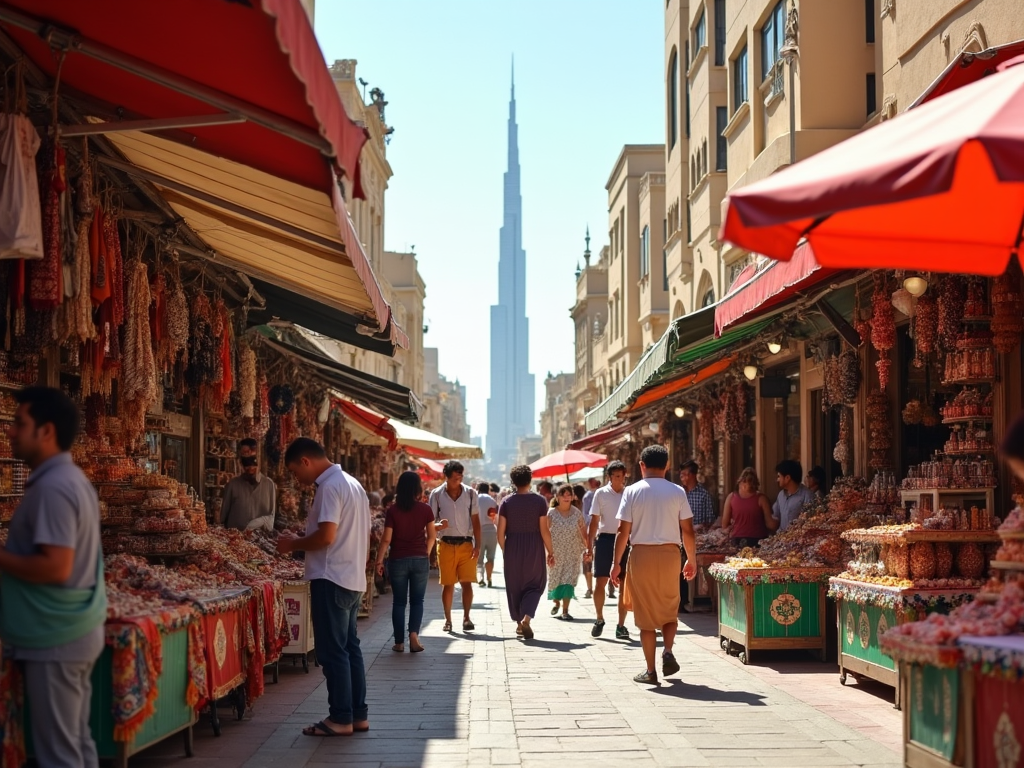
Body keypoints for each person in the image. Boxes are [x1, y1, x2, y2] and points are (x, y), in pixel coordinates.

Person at [0, 387, 107, 768]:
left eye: (19, 423)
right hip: (65, 632)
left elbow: (56, 566)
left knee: (60, 754)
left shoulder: (54, 487)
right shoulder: (66, 481)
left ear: (45, 431)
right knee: (75, 744)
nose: (10, 431)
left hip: (56, 637)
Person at [277, 438, 370, 737]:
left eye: (294, 471)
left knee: (332, 652)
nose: (297, 479)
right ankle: (357, 715)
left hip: (332, 578)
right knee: (350, 649)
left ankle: (340, 717)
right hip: (352, 577)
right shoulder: (353, 484)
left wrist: (293, 544)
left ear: (305, 461)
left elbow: (327, 536)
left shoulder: (330, 486)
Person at [611, 444, 697, 685]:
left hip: (641, 555)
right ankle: (667, 651)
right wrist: (692, 559)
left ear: (641, 466)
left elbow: (622, 531)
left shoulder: (632, 491)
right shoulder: (678, 491)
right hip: (671, 555)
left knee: (645, 615)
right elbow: (688, 530)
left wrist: (616, 563)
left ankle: (650, 671)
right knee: (670, 607)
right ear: (667, 465)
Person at [375, 472, 436, 653]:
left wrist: (379, 561)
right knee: (417, 601)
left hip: (398, 559)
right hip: (420, 559)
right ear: (417, 488)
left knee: (399, 602)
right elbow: (432, 536)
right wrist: (426, 552)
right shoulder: (426, 509)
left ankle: (399, 642)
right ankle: (414, 635)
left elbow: (386, 539)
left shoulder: (393, 510)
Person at [496, 465, 555, 639]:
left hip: (513, 546)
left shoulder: (506, 502)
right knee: (536, 584)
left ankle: (519, 623)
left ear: (513, 481)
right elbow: (544, 530)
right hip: (534, 547)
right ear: (530, 480)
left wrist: (507, 551)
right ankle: (527, 619)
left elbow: (500, 534)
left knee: (515, 586)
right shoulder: (539, 501)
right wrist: (551, 551)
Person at [428, 460, 482, 633]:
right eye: (456, 476)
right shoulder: (436, 495)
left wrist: (478, 545)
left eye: (461, 475)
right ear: (447, 477)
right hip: (445, 544)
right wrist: (438, 526)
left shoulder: (471, 494)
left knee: (467, 583)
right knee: (448, 584)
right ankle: (448, 620)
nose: (459, 478)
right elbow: (430, 523)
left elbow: (476, 521)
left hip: (466, 543)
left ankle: (467, 618)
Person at [587, 461, 631, 640]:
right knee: (601, 581)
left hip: (626, 539)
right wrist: (589, 547)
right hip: (605, 539)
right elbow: (594, 522)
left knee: (624, 583)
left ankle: (621, 625)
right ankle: (599, 618)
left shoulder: (630, 493)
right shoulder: (601, 494)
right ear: (610, 477)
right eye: (617, 476)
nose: (620, 480)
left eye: (623, 476)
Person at [546, 484, 590, 620]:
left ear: (572, 497)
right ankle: (556, 603)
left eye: (568, 495)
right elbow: (546, 533)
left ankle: (565, 610)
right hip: (555, 553)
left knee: (568, 581)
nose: (566, 497)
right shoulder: (551, 513)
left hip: (573, 553)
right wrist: (548, 552)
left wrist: (588, 549)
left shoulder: (576, 513)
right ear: (557, 497)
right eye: (563, 495)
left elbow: (584, 533)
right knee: (556, 580)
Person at [220, 437, 277, 531]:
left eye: (253, 462)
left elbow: (271, 517)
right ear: (241, 464)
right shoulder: (232, 485)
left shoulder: (269, 485)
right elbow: (223, 519)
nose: (250, 468)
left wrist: (256, 524)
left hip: (260, 542)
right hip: (235, 541)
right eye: (246, 464)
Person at [721, 467, 779, 548]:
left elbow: (724, 525)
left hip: (737, 540)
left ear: (740, 482)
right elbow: (770, 524)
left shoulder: (731, 497)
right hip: (758, 541)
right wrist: (779, 519)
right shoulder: (761, 499)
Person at [772, 459, 815, 532]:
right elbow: (775, 517)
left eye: (779, 476)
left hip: (799, 540)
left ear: (787, 478)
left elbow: (812, 522)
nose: (777, 480)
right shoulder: (781, 495)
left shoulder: (807, 496)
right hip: (781, 539)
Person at [679, 460, 716, 527]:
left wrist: (700, 526)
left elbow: (710, 520)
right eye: (681, 474)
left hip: (698, 535)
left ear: (693, 475)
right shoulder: (678, 493)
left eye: (684, 474)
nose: (682, 477)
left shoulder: (704, 494)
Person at [476, 482, 499, 588]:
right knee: (490, 557)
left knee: (479, 558)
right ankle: (489, 578)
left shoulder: (475, 499)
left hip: (478, 531)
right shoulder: (492, 500)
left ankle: (480, 577)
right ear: (488, 489)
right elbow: (495, 516)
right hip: (491, 530)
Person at [579, 481, 598, 598]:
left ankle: (589, 588)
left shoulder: (587, 497)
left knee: (587, 561)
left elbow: (585, 516)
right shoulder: (602, 494)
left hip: (588, 532)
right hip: (602, 531)